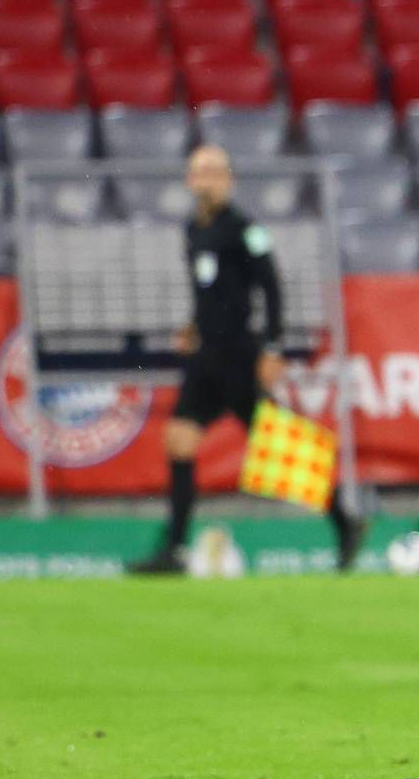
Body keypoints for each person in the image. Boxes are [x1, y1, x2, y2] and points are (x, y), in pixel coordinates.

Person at [130, 145, 362, 574]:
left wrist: (272, 347)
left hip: (238, 355)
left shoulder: (245, 229)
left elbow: (271, 287)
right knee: (179, 439)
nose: (208, 178)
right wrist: (193, 325)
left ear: (229, 179)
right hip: (205, 357)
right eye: (201, 171)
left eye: (216, 170)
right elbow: (211, 292)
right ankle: (175, 551)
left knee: (279, 446)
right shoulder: (193, 230)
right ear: (189, 180)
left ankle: (345, 520)